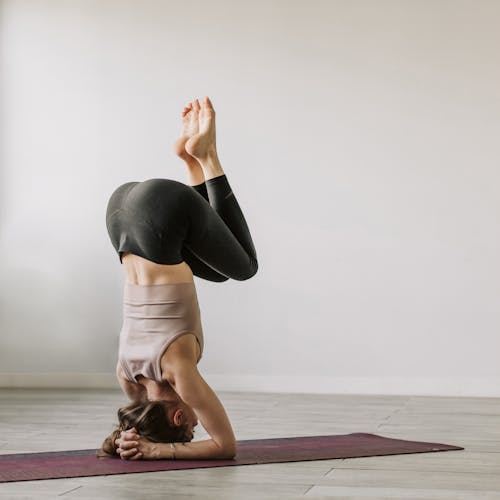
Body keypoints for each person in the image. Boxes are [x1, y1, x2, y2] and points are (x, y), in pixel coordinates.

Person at [97, 96, 258, 460]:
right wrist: (130, 437)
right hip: (121, 217)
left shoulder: (178, 372)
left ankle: (207, 156)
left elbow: (224, 447)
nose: (195, 426)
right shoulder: (129, 378)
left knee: (245, 267)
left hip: (161, 212)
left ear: (179, 414)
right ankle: (190, 160)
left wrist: (158, 450)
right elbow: (138, 409)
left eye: (188, 428)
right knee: (219, 275)